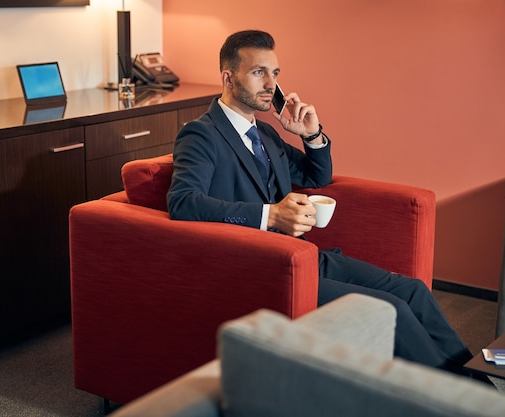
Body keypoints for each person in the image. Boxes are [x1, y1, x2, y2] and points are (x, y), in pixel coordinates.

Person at [167, 29, 481, 380]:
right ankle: (454, 402)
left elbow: (316, 177)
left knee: (412, 290)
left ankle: (482, 393)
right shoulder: (201, 134)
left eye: (275, 74)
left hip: (305, 255)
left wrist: (311, 135)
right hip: (260, 267)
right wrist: (272, 215)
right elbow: (183, 202)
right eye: (259, 72)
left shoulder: (266, 133)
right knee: (388, 308)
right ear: (228, 77)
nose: (271, 84)